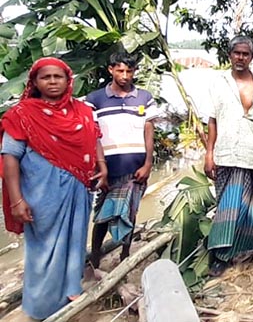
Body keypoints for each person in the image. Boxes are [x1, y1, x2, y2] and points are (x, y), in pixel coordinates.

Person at [0, 57, 107, 319]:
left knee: (75, 240)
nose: (52, 82)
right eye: (45, 77)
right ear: (35, 82)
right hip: (41, 193)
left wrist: (101, 164)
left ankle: (71, 291)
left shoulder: (81, 110)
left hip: (78, 188)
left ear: (67, 80)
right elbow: (10, 156)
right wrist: (16, 200)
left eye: (57, 77)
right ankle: (40, 308)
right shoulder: (21, 115)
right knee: (44, 249)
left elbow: (93, 137)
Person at [85, 52, 157, 268]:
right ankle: (95, 259)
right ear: (111, 70)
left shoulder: (144, 98)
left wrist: (148, 163)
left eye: (129, 71)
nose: (125, 75)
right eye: (120, 70)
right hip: (107, 168)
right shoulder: (95, 99)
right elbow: (93, 134)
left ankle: (125, 257)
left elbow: (149, 131)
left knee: (130, 212)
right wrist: (100, 166)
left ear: (134, 71)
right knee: (102, 216)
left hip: (135, 168)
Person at [204, 36, 253, 276]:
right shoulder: (218, 82)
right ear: (230, 54)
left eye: (246, 54)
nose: (241, 58)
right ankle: (220, 255)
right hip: (226, 154)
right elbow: (211, 120)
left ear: (252, 57)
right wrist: (209, 153)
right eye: (237, 53)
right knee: (227, 206)